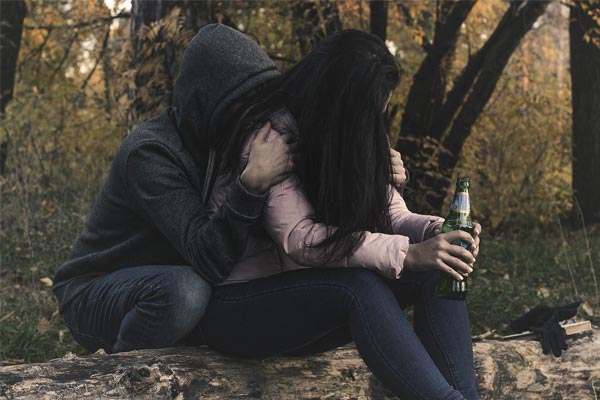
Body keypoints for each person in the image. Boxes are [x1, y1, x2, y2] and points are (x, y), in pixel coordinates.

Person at [199, 30, 482, 400]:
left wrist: (436, 233)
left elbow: (393, 215)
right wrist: (408, 253)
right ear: (343, 103)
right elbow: (300, 238)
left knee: (439, 269)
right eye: (371, 111)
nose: (376, 122)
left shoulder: (356, 131)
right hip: (240, 308)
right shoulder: (271, 136)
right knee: (358, 286)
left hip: (314, 300)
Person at [51, 24, 296, 354]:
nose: (255, 116)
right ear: (207, 101)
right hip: (95, 291)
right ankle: (122, 375)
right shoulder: (150, 153)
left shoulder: (223, 144)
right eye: (243, 102)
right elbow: (208, 259)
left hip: (170, 278)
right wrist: (251, 186)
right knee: (186, 292)